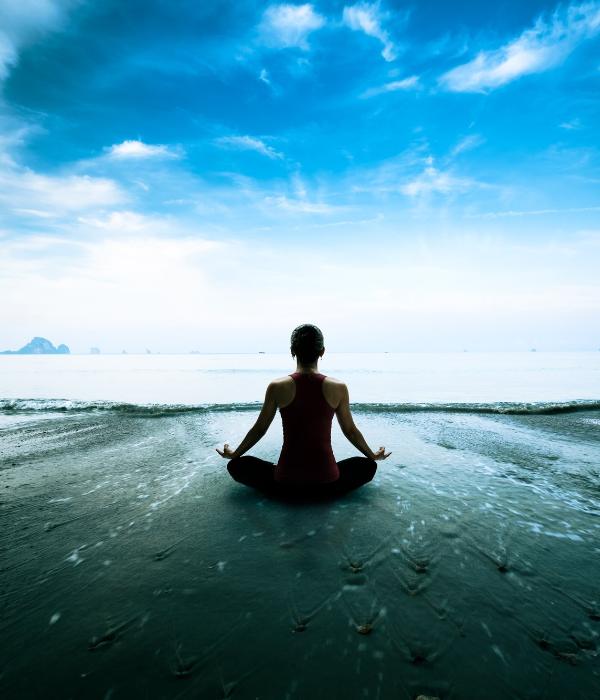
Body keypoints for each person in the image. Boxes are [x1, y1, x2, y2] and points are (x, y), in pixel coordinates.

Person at [216, 324, 391, 499]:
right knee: (368, 466)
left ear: (293, 351)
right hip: (328, 485)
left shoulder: (277, 387)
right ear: (322, 352)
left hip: (286, 485)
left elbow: (260, 429)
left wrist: (235, 454)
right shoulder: (339, 387)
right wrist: (372, 455)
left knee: (237, 465)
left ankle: (285, 482)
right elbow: (350, 431)